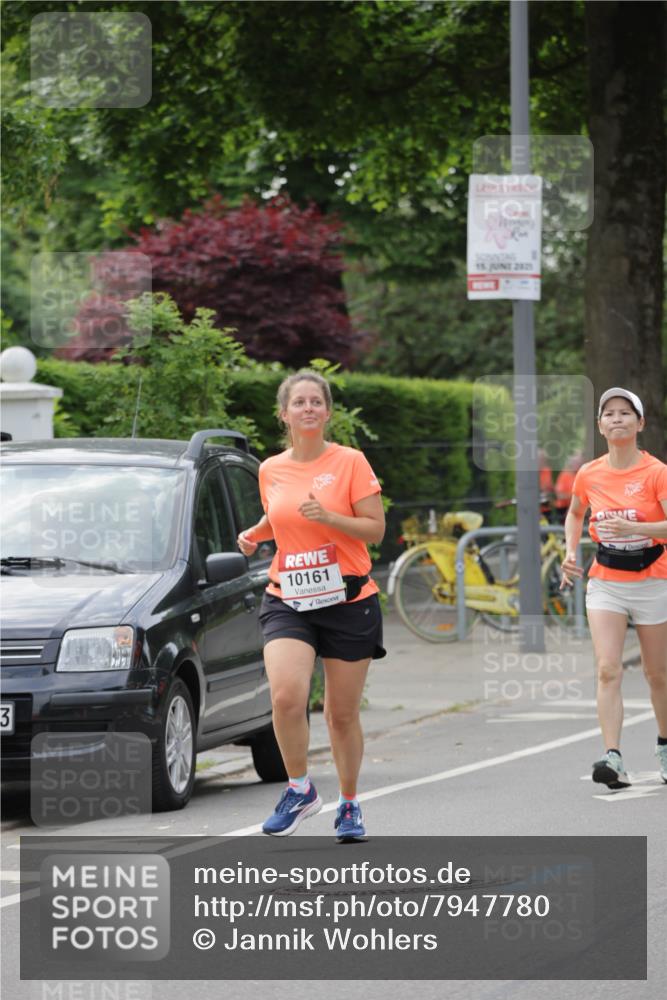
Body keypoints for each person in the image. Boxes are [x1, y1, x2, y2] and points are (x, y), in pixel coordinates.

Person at [237, 370, 386, 841]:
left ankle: (349, 804)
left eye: (315, 402)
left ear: (327, 412)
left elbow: (375, 529)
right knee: (285, 697)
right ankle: (299, 788)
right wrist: (254, 534)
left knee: (340, 714)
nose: (308, 409)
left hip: (349, 599)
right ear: (284, 414)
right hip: (289, 597)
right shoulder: (270, 468)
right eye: (298, 402)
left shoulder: (350, 462)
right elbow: (279, 515)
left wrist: (330, 517)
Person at [560, 388, 667, 789]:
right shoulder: (589, 473)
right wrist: (570, 552)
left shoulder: (657, 472)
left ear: (640, 423)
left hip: (654, 579)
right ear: (600, 426)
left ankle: (665, 744)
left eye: (625, 413)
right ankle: (613, 756)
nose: (617, 418)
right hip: (606, 581)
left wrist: (634, 527)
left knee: (658, 674)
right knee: (608, 669)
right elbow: (575, 514)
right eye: (609, 414)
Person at [554, 451, 584, 524]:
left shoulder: (582, 475)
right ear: (571, 463)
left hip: (578, 508)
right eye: (575, 462)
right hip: (563, 509)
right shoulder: (564, 475)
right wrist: (575, 496)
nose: (577, 464)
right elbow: (560, 495)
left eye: (579, 462)